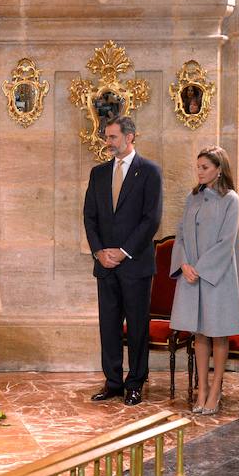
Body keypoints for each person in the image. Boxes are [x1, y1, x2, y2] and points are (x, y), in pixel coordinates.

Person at [83, 116, 163, 406]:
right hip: (104, 266)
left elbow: (151, 219)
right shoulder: (98, 173)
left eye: (113, 137)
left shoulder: (150, 171)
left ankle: (135, 382)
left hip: (135, 264)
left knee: (138, 326)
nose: (108, 143)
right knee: (109, 325)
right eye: (107, 137)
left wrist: (123, 251)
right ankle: (113, 382)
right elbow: (89, 217)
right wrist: (99, 252)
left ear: (130, 137)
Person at [169, 146, 239, 416]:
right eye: (197, 167)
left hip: (216, 277)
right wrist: (183, 263)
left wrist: (200, 268)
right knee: (199, 333)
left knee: (217, 333)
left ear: (219, 169)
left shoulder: (231, 199)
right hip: (191, 276)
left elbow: (227, 242)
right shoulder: (193, 197)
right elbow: (181, 234)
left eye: (205, 168)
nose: (199, 172)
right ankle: (201, 389)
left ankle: (215, 390)